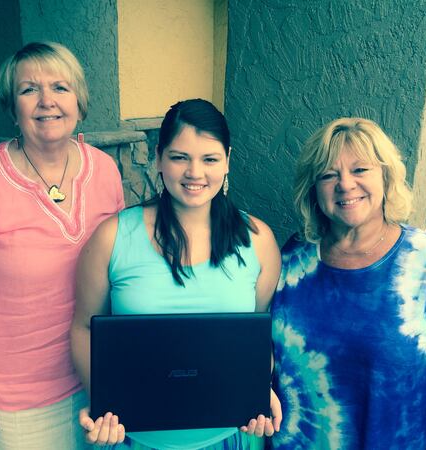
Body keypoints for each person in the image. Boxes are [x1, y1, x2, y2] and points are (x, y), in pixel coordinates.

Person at [0, 42, 124, 449]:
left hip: (95, 383)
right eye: (29, 89)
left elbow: (119, 267)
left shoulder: (104, 170)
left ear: (79, 101)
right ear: (13, 108)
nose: (46, 101)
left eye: (60, 87)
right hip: (14, 405)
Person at [71, 98, 282, 449]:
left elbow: (256, 335)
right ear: (158, 158)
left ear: (227, 160)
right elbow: (82, 327)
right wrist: (102, 402)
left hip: (230, 437)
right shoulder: (112, 237)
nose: (194, 173)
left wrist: (260, 388)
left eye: (210, 159)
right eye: (179, 157)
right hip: (135, 437)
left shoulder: (258, 240)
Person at [271, 117, 426, 449]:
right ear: (313, 190)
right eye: (328, 174)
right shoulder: (292, 261)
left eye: (360, 170)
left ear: (386, 175)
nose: (345, 184)